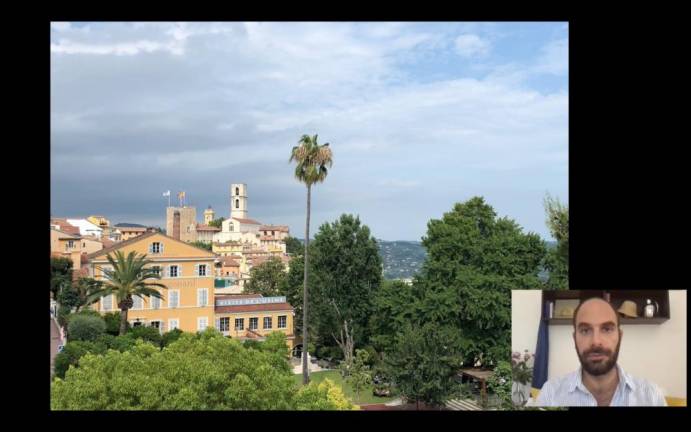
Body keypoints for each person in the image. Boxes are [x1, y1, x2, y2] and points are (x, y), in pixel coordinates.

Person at [534, 297, 667, 406]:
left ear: (620, 336)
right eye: (585, 330)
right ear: (575, 338)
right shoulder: (550, 394)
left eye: (607, 329)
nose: (596, 341)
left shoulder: (651, 397)